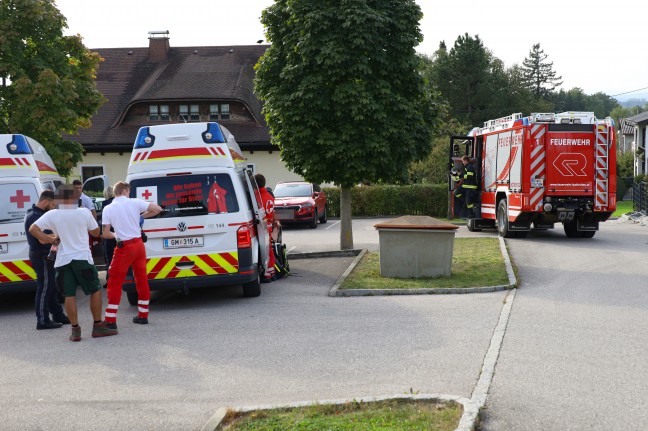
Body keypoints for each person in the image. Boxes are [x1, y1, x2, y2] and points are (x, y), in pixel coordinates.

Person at [29, 184, 116, 341]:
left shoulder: (52, 214)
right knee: (95, 290)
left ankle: (75, 331)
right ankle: (97, 326)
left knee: (69, 295)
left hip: (62, 261)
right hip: (82, 258)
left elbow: (33, 229)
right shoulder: (83, 212)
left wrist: (49, 239)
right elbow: (96, 232)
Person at [101, 181, 162, 328]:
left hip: (124, 247)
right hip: (139, 245)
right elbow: (157, 209)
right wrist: (141, 216)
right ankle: (143, 315)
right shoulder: (135, 203)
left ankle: (110, 320)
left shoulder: (108, 208)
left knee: (115, 281)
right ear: (125, 191)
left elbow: (105, 233)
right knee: (141, 279)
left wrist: (116, 235)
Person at [24, 190, 70, 330]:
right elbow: (42, 239)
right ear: (46, 201)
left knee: (51, 287)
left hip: (45, 255)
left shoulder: (36, 214)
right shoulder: (34, 217)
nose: (54, 206)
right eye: (53, 204)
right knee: (44, 288)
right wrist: (55, 238)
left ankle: (57, 315)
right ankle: (42, 320)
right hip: (41, 255)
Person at [253, 174, 276, 282]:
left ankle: (267, 274)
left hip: (262, 226)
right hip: (269, 225)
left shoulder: (257, 196)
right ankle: (270, 273)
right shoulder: (269, 195)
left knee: (264, 251)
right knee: (269, 249)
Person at [101, 185, 116, 287]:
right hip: (119, 233)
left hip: (108, 233)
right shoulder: (117, 203)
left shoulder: (105, 204)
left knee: (109, 258)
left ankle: (110, 280)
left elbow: (104, 220)